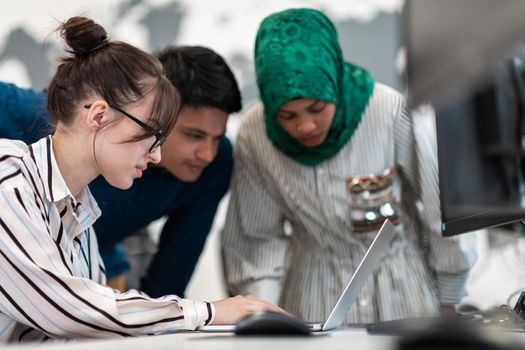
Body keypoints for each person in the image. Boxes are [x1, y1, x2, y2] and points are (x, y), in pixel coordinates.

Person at [0, 16, 280, 343]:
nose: (156, 156)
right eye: (150, 135)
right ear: (99, 116)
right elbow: (67, 309)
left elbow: (75, 332)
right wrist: (207, 312)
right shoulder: (9, 181)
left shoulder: (82, 214)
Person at [221, 8, 478, 324]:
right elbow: (257, 238)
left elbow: (440, 208)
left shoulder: (385, 110)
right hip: (311, 298)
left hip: (404, 296)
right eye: (287, 116)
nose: (305, 126)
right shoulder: (255, 133)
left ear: (334, 84)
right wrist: (262, 313)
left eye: (317, 108)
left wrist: (449, 296)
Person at [0, 45, 241, 297]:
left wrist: (163, 324)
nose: (207, 154)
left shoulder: (215, 163)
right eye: (194, 135)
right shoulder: (48, 116)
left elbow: (175, 265)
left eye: (217, 137)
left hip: (97, 267)